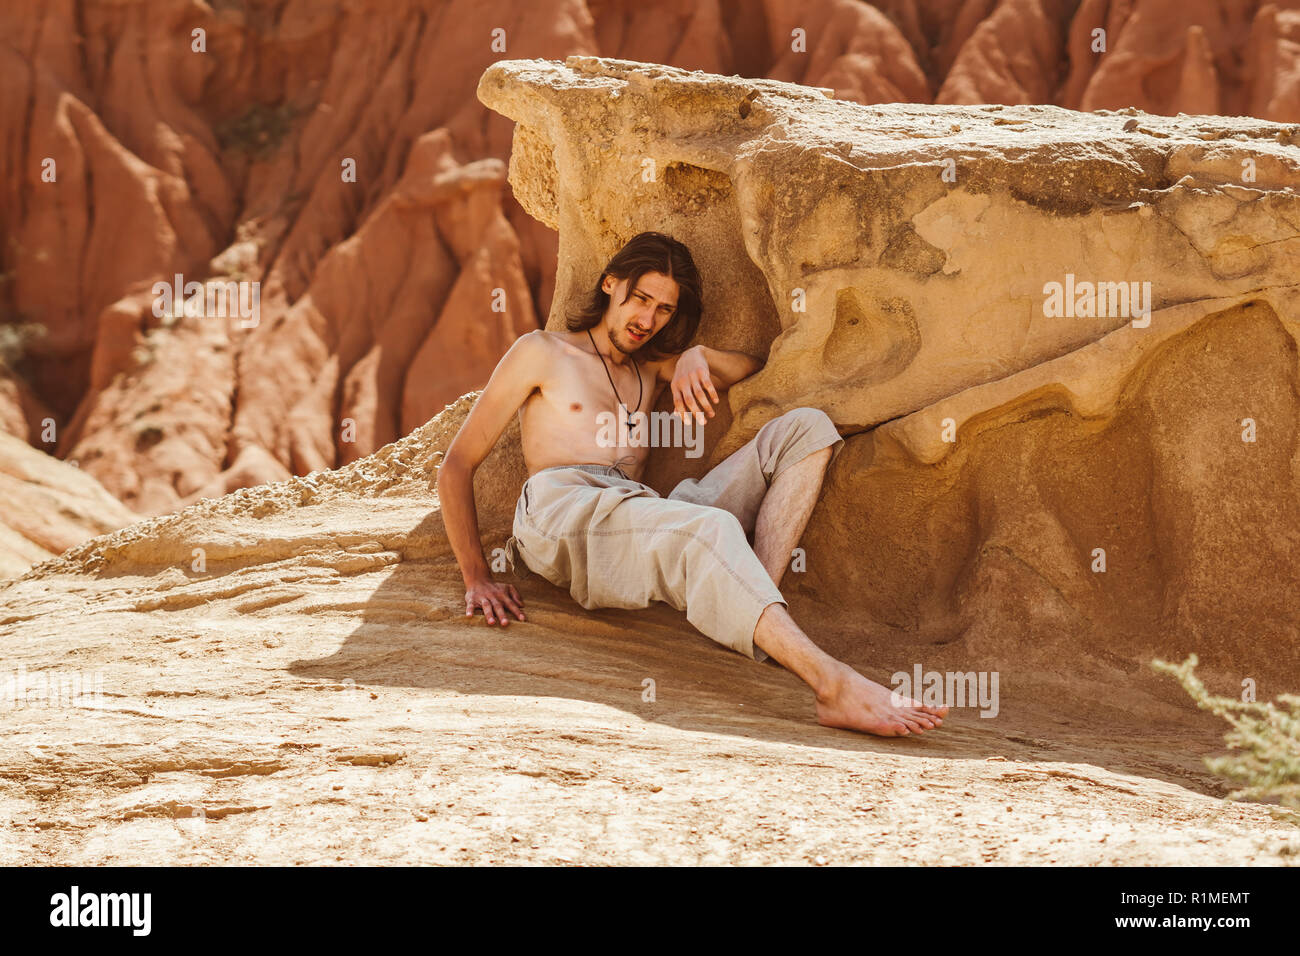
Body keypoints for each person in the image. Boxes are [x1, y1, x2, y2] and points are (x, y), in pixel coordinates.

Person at [437, 232, 947, 736]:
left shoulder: (652, 368)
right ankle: (832, 684)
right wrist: (476, 577)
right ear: (610, 285)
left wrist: (695, 356)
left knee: (807, 429)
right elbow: (457, 464)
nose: (647, 320)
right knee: (710, 529)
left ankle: (752, 607)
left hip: (639, 510)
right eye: (640, 299)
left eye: (663, 310)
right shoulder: (542, 352)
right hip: (563, 512)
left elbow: (753, 369)